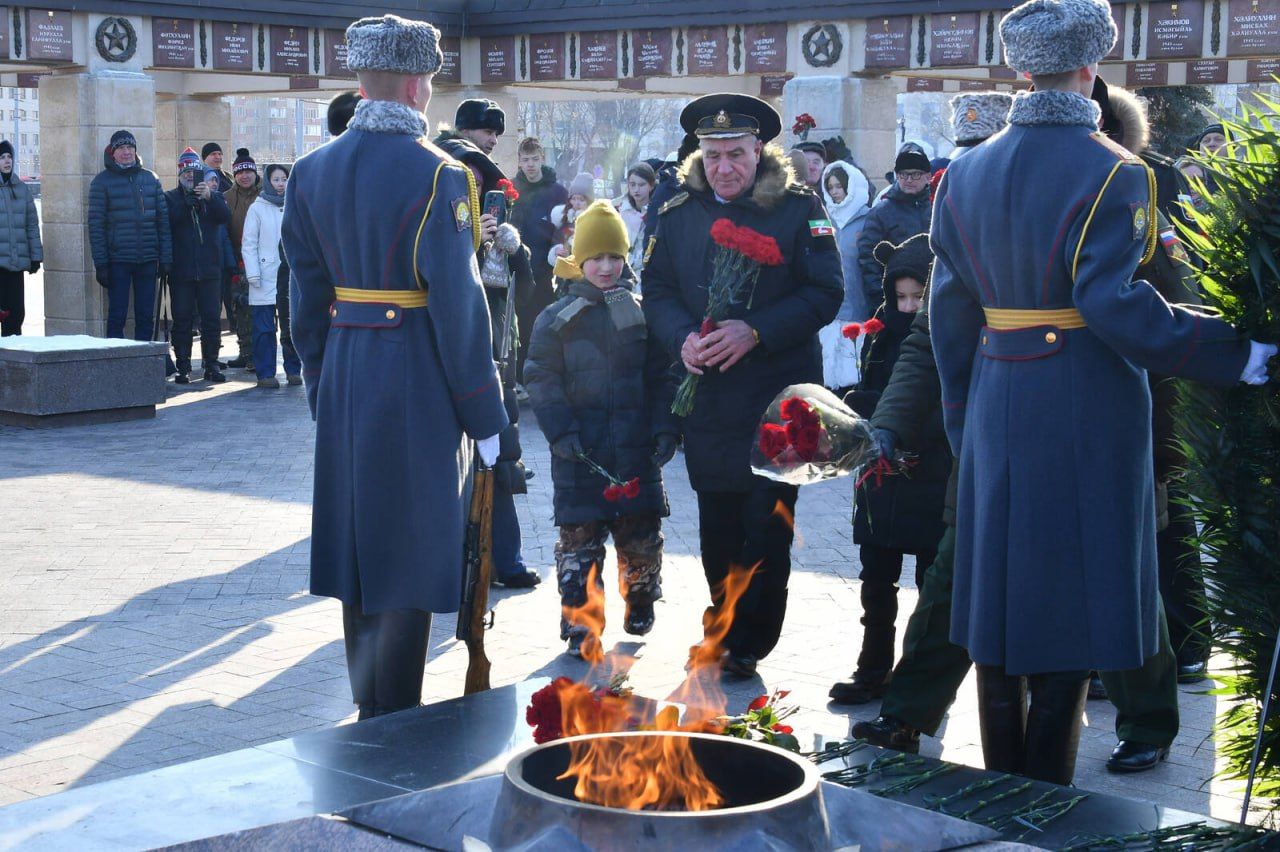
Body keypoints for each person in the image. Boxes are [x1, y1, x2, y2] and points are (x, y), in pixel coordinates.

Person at [929, 0, 1274, 785]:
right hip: (1083, 404)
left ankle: (1003, 791)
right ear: (1091, 70)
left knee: (998, 603)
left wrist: (964, 419)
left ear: (1022, 69)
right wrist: (1236, 353)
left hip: (993, 398)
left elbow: (949, 321)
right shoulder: (1115, 168)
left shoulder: (964, 173)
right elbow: (1118, 308)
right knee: (1070, 598)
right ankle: (1043, 799)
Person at [851, 82, 1211, 776]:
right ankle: (908, 713)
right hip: (994, 437)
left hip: (1106, 439)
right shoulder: (979, 218)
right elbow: (936, 341)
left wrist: (1164, 451)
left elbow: (1164, 325)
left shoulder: (1132, 202)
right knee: (959, 582)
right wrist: (889, 427)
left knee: (1122, 584)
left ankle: (1147, 719)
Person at [282, 14, 508, 720]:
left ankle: (367, 707)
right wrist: (487, 415)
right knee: (409, 545)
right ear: (420, 83)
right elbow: (460, 309)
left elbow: (304, 292)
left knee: (357, 544)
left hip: (347, 370)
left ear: (362, 79)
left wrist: (320, 379)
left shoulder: (313, 170)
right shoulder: (441, 174)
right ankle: (397, 720)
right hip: (415, 373)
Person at [642, 93, 843, 678]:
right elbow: (655, 289)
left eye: (736, 154)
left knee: (767, 524)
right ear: (698, 156)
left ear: (760, 151)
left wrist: (755, 331)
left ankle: (748, 640)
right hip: (708, 396)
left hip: (778, 398)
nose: (724, 167)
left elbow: (826, 292)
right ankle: (722, 627)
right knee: (718, 522)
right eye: (713, 155)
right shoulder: (677, 209)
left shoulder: (796, 207)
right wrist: (682, 336)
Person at [525, 200, 679, 655]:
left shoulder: (641, 313)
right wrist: (561, 432)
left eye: (615, 257)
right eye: (597, 258)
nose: (607, 267)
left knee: (641, 543)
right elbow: (539, 376)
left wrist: (666, 429)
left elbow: (663, 375)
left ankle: (641, 601)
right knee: (579, 547)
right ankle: (581, 623)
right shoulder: (556, 318)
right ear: (580, 259)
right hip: (579, 455)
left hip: (635, 453)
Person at [831, 234, 948, 705]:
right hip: (880, 478)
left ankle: (918, 677)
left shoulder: (946, 337)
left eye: (918, 297)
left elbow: (946, 403)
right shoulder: (879, 337)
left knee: (929, 585)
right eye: (900, 297)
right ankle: (872, 667)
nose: (907, 306)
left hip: (930, 475)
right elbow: (872, 391)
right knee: (875, 584)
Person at [435, 125, 541, 590]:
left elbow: (527, 291)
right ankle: (451, 563)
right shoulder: (434, 224)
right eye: (467, 183)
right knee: (448, 469)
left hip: (495, 358)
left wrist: (514, 253)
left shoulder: (499, 226)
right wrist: (467, 244)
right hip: (445, 365)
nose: (474, 191)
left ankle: (506, 559)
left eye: (481, 185)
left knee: (501, 459)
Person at [89, 130, 172, 341]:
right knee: (117, 315)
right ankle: (115, 362)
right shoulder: (101, 182)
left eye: (130, 148)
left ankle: (146, 360)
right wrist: (101, 264)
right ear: (113, 152)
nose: (127, 152)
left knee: (146, 315)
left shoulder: (150, 178)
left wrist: (166, 258)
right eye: (122, 148)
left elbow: (162, 221)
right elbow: (96, 226)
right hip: (118, 260)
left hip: (147, 258)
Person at [165, 148, 230, 384]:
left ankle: (211, 364)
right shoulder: (170, 197)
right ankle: (183, 366)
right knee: (181, 320)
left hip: (210, 270)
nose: (191, 176)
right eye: (186, 172)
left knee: (211, 319)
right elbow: (167, 223)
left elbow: (225, 217)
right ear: (180, 173)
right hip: (181, 271)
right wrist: (185, 204)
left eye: (195, 172)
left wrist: (209, 198)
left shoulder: (214, 195)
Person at [510, 136, 569, 387]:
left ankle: (543, 376)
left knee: (543, 324)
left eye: (535, 159)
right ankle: (519, 377)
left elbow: (567, 225)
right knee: (518, 326)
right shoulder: (511, 188)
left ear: (542, 159)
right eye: (526, 160)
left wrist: (559, 247)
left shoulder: (557, 191)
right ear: (520, 161)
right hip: (517, 269)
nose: (531, 165)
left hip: (546, 272)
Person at [241, 163, 299, 389]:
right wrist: (253, 273)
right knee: (264, 328)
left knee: (290, 326)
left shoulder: (295, 206)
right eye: (276, 179)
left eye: (284, 179)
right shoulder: (257, 208)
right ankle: (265, 373)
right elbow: (249, 243)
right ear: (267, 181)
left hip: (290, 277)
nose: (280, 184)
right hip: (264, 276)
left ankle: (294, 370)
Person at [816, 160, 872, 392]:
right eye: (830, 187)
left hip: (858, 303)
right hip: (829, 306)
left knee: (855, 365)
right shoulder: (821, 216)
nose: (835, 192)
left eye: (839, 186)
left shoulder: (868, 218)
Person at [856, 147, 932, 309]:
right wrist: (881, 298)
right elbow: (868, 258)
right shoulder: (881, 212)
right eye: (904, 174)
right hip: (897, 298)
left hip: (932, 295)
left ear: (928, 177)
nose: (909, 180)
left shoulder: (938, 208)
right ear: (897, 176)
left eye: (916, 174)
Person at [0, 139, 42, 336]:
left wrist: (35, 257)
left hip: (15, 264)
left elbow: (32, 226)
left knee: (15, 315)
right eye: (2, 157)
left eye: (9, 157)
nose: (7, 161)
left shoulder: (22, 189)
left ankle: (12, 362)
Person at [224, 148, 261, 372]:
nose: (244, 176)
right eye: (240, 172)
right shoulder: (227, 197)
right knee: (239, 306)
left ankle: (259, 353)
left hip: (261, 257)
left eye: (248, 171)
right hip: (236, 259)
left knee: (259, 308)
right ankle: (245, 351)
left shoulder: (266, 195)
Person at [615, 163, 656, 275]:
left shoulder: (657, 211)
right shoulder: (620, 210)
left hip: (647, 271)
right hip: (623, 270)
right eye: (632, 184)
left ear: (651, 186)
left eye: (642, 185)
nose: (636, 189)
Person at [548, 173, 595, 268]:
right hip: (566, 275)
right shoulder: (565, 220)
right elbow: (557, 239)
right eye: (574, 199)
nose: (577, 203)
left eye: (581, 200)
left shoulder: (595, 223)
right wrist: (556, 250)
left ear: (589, 201)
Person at [437, 98, 504, 156]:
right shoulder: (451, 160)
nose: (494, 141)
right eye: (488, 132)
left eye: (496, 134)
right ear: (465, 131)